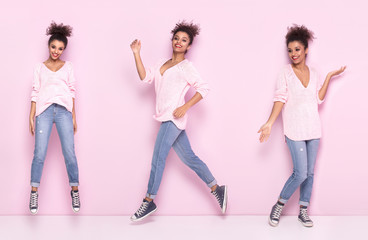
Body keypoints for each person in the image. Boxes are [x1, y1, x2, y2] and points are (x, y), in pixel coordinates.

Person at [129, 21, 227, 221]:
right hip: (165, 118)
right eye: (176, 38)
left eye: (184, 40)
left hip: (172, 120)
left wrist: (185, 106)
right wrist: (136, 54)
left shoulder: (186, 67)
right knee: (190, 158)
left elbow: (204, 88)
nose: (179, 42)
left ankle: (149, 201)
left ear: (189, 46)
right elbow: (144, 77)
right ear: (172, 41)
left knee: (158, 159)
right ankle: (218, 188)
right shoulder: (161, 64)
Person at [258, 24, 346, 227]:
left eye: (297, 49)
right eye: (290, 50)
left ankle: (303, 211)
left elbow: (318, 99)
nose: (293, 54)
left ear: (306, 49)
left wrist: (330, 77)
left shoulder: (314, 72)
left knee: (310, 173)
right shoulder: (285, 73)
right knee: (300, 173)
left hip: (313, 129)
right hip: (294, 130)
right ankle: (279, 205)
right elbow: (279, 99)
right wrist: (270, 123)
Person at [29, 21, 80, 214]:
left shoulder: (68, 67)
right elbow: (35, 91)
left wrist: (74, 116)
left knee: (69, 153)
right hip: (44, 111)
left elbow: (72, 91)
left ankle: (74, 190)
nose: (56, 51)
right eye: (53, 47)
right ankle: (34, 192)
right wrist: (31, 115)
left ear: (64, 49)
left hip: (64, 112)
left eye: (60, 48)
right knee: (39, 154)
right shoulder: (39, 67)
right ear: (48, 46)